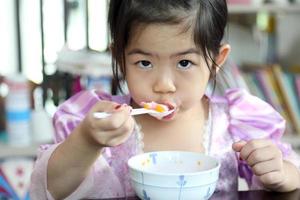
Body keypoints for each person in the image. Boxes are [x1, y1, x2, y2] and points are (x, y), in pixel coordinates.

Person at [30, 0, 300, 199]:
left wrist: (280, 172)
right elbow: (49, 190)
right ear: (120, 59)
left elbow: (292, 175)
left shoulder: (236, 121)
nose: (164, 85)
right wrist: (87, 141)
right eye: (144, 63)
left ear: (217, 60)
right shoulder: (100, 123)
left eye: (184, 62)